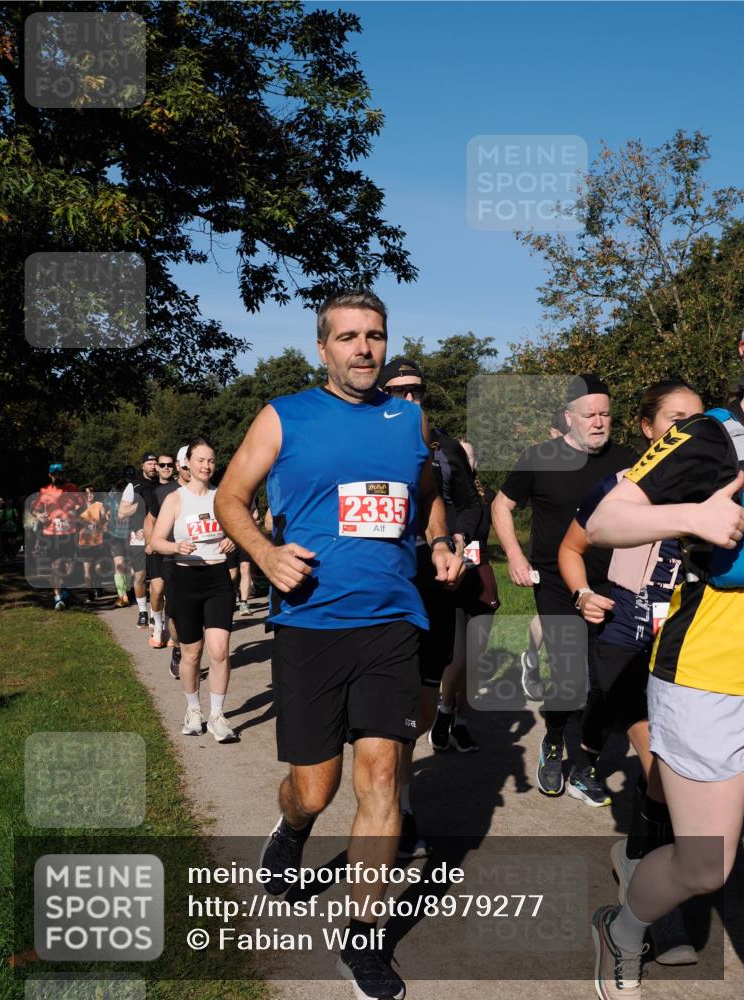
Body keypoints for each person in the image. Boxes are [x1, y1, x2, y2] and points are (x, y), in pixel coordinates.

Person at [214, 290, 463, 1000]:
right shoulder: (284, 415)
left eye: (375, 336)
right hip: (310, 624)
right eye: (349, 337)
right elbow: (231, 498)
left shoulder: (408, 418)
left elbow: (426, 498)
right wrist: (264, 555)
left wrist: (439, 540)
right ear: (322, 348)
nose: (364, 348)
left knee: (383, 778)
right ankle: (291, 830)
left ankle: (364, 941)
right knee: (315, 789)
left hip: (391, 619)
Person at [587, 403, 744, 999]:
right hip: (713, 678)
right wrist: (694, 517)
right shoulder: (713, 437)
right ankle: (624, 930)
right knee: (707, 865)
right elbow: (605, 519)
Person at [560, 381, 704, 963]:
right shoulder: (620, 488)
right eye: (675, 420)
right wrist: (582, 595)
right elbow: (571, 548)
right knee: (663, 772)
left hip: (688, 653)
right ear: (647, 428)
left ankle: (636, 865)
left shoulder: (722, 488)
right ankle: (654, 920)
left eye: (699, 420)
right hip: (625, 646)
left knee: (671, 780)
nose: (690, 432)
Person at [493, 376, 637, 797]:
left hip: (614, 584)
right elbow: (502, 505)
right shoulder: (540, 457)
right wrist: (515, 556)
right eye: (589, 414)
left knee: (609, 679)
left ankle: (587, 763)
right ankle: (555, 737)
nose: (598, 422)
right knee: (571, 677)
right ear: (569, 417)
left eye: (605, 414)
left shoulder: (630, 461)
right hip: (555, 583)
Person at [376, 356, 481, 861]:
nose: (410, 399)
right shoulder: (362, 439)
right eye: (398, 390)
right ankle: (389, 809)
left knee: (420, 697)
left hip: (435, 578)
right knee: (382, 700)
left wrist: (455, 535)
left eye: (416, 390)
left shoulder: (446, 445)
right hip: (383, 581)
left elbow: (470, 501)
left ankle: (402, 798)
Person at [152, 438, 237, 742]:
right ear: (186, 463)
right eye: (200, 460)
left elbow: (239, 527)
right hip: (185, 580)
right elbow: (156, 542)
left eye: (211, 460)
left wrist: (232, 539)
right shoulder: (175, 499)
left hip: (217, 579)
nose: (206, 466)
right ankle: (193, 710)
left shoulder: (223, 497)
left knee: (220, 650)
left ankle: (217, 715)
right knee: (192, 653)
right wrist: (175, 546)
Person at [428, 438, 500, 754]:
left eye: (470, 454)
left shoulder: (486, 498)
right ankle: (444, 713)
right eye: (460, 453)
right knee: (458, 658)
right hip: (452, 582)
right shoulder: (439, 499)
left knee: (477, 660)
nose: (465, 458)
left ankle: (463, 723)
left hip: (481, 579)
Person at [521, 407, 570, 701]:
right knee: (550, 614)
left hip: (590, 552)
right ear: (552, 433)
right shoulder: (540, 461)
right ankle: (532, 659)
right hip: (548, 554)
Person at [147, 445, 192, 676]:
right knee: (167, 601)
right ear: (179, 466)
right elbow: (150, 519)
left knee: (194, 610)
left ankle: (190, 652)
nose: (189, 470)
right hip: (169, 556)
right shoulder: (165, 493)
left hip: (200, 559)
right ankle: (173, 644)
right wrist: (151, 541)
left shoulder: (211, 491)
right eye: (184, 466)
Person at [30, 462, 84, 610]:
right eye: (54, 474)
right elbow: (34, 509)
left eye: (59, 473)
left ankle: (65, 589)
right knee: (55, 565)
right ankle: (57, 597)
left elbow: (82, 505)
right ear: (50, 475)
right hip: (51, 533)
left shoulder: (72, 488)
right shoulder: (44, 491)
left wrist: (76, 511)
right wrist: (40, 515)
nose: (57, 476)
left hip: (70, 532)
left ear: (63, 474)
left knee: (68, 566)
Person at [118, 452, 158, 628]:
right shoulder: (133, 486)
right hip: (137, 536)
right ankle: (142, 611)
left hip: (159, 535)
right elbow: (122, 512)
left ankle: (154, 614)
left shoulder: (164, 484)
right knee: (140, 575)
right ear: (142, 466)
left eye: (155, 462)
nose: (153, 465)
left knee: (159, 577)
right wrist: (139, 504)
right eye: (149, 463)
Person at [145, 452, 176, 648]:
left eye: (169, 465)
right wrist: (149, 541)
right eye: (162, 465)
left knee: (173, 593)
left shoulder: (181, 489)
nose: (166, 468)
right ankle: (158, 625)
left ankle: (173, 630)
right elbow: (148, 517)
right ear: (156, 467)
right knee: (157, 590)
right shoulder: (149, 489)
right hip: (156, 547)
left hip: (175, 547)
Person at [105, 467, 135, 607]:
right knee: (119, 563)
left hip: (131, 532)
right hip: (115, 532)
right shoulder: (114, 491)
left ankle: (127, 592)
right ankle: (122, 595)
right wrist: (106, 517)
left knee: (129, 565)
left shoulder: (137, 489)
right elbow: (105, 507)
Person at [77, 485, 108, 602]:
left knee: (98, 567)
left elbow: (105, 517)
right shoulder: (79, 508)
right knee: (87, 569)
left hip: (98, 541)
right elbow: (74, 521)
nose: (89, 495)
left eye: (91, 493)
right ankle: (90, 593)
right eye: (87, 493)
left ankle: (98, 587)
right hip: (84, 542)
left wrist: (104, 518)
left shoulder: (99, 505)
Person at [0, 497, 21, 563]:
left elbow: (17, 518)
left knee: (11, 543)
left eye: (10, 503)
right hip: (6, 529)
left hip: (11, 529)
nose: (9, 504)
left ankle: (11, 555)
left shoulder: (13, 510)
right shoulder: (4, 511)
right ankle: (8, 556)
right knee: (6, 543)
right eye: (8, 503)